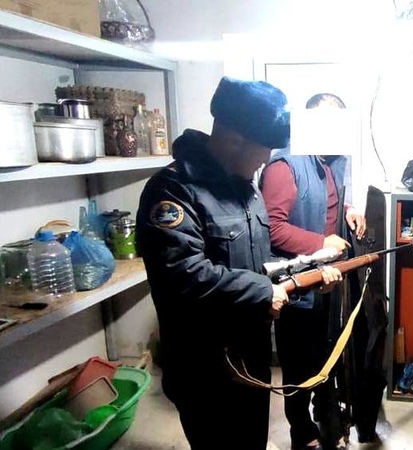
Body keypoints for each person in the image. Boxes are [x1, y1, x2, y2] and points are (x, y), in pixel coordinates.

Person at [135, 77, 342, 450]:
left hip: (250, 360)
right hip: (205, 369)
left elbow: (260, 264)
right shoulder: (173, 190)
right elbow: (183, 273)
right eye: (265, 150)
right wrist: (264, 291)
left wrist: (306, 277)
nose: (267, 159)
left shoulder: (245, 189)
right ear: (233, 139)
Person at [260, 92, 369, 450]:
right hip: (297, 283)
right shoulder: (284, 167)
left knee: (325, 354)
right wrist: (321, 241)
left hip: (327, 278)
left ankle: (327, 414)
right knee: (297, 366)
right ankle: (301, 432)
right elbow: (273, 229)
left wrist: (350, 210)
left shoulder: (332, 160)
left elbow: (329, 200)